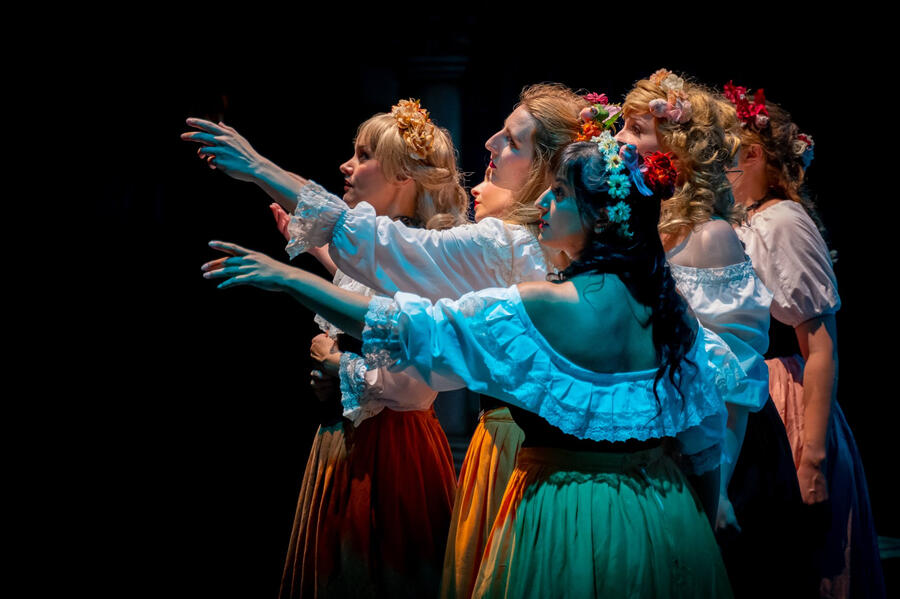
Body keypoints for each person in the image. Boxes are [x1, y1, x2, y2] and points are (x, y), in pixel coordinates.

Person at [200, 141, 737, 597]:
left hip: (564, 516)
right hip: (665, 518)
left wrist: (287, 280)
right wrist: (700, 536)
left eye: (560, 194)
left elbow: (412, 328)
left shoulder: (545, 304)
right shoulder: (671, 314)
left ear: (598, 217)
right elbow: (704, 446)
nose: (543, 201)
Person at [187, 83, 591, 598]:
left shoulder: (512, 241)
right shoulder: (536, 242)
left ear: (549, 164)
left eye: (511, 141)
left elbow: (413, 320)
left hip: (521, 452)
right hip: (567, 465)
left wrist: (261, 173)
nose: (490, 143)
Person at [187, 99, 466, 598]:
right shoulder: (387, 251)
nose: (347, 165)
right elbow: (356, 273)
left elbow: (415, 381)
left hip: (393, 450)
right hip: (348, 440)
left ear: (403, 174)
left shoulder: (425, 255)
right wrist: (312, 244)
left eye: (363, 156)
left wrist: (339, 365)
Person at [616, 69, 813, 597]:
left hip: (723, 450)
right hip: (663, 442)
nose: (619, 140)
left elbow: (734, 375)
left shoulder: (709, 237)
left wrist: (717, 485)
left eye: (637, 129)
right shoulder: (647, 229)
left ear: (677, 147)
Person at [726, 82, 885, 598]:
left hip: (783, 396)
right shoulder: (740, 220)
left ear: (751, 153)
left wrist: (811, 457)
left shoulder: (782, 222)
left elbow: (820, 346)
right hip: (749, 391)